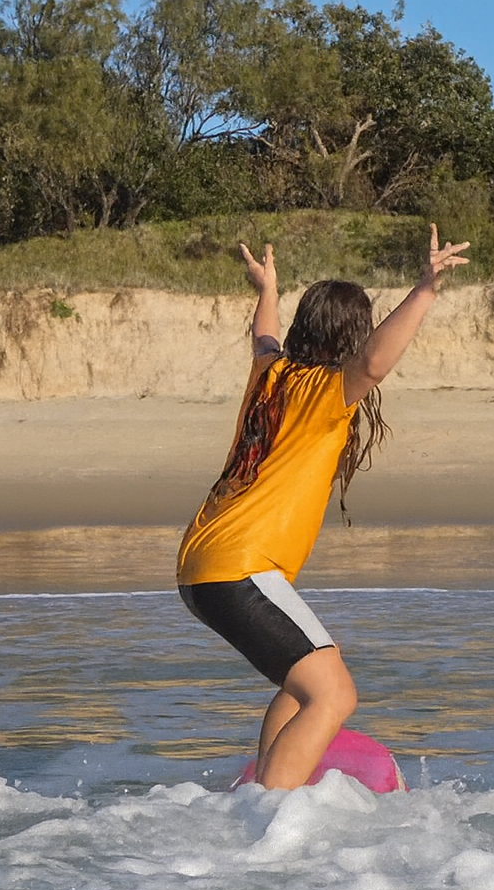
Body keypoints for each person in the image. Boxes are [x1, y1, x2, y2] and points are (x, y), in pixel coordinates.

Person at [177, 225, 470, 789]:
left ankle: (264, 789)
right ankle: (274, 820)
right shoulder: (323, 390)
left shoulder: (272, 374)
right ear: (351, 339)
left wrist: (266, 291)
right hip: (239, 568)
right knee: (335, 693)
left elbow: (264, 336)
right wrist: (426, 288)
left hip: (204, 566)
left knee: (302, 685)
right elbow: (375, 366)